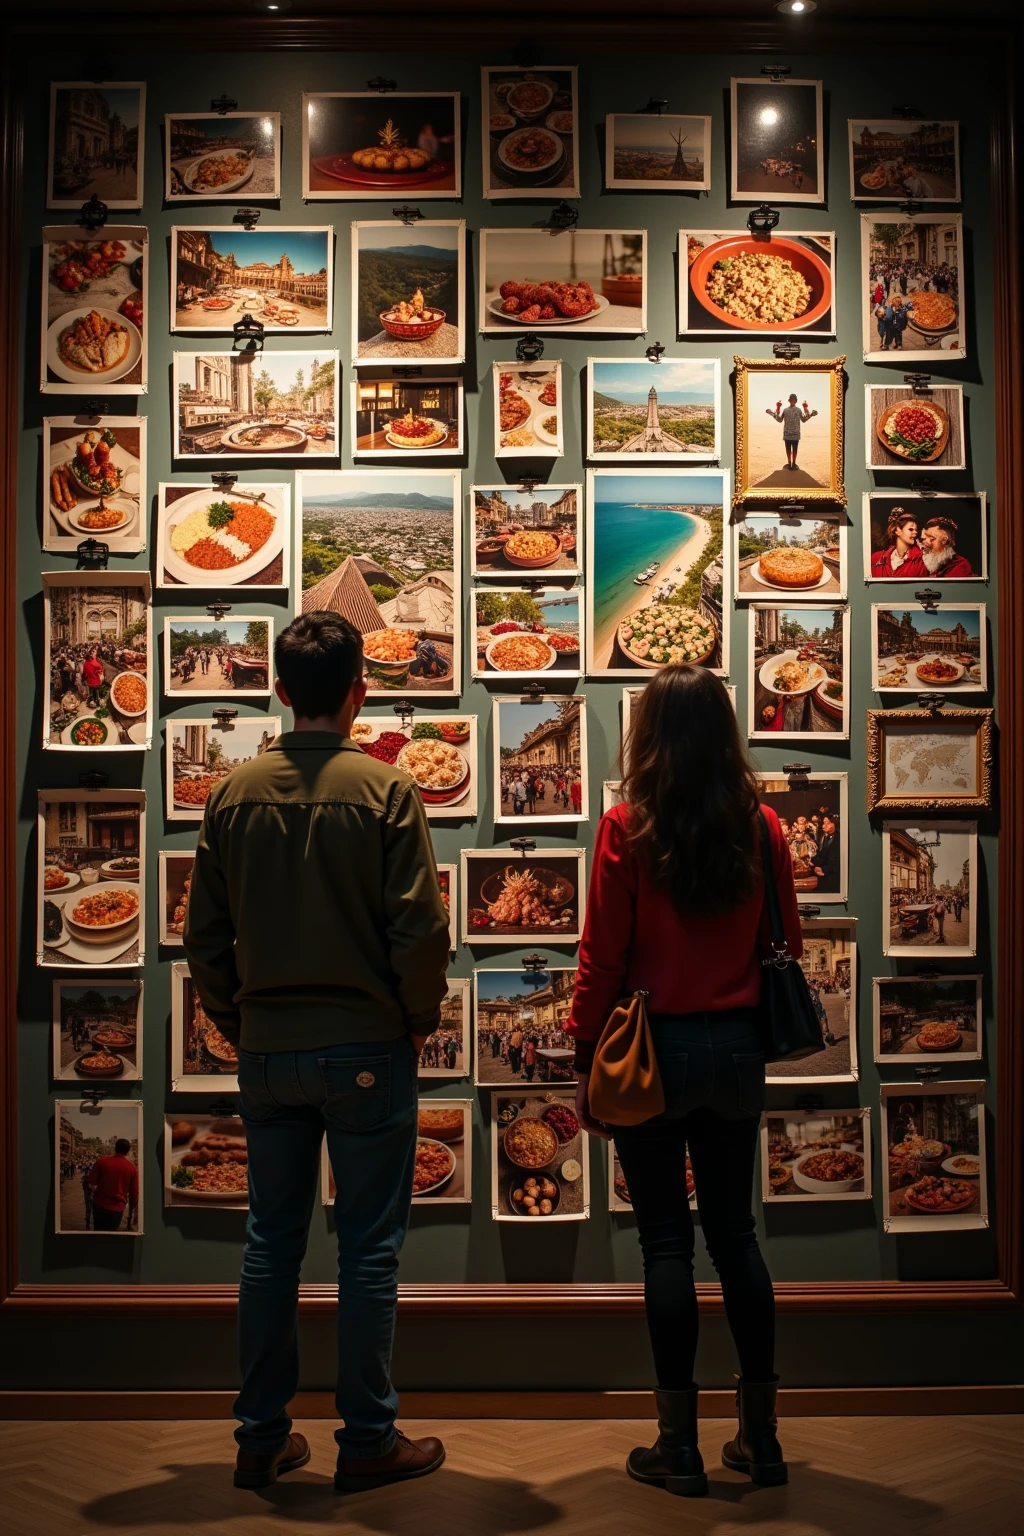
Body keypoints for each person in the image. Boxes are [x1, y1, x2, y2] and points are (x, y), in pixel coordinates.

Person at [183, 611, 451, 1494]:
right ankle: (367, 1440)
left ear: (279, 691)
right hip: (369, 1048)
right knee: (367, 1251)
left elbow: (206, 938)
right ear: (359, 692)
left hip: (269, 1050)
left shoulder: (231, 794)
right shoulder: (387, 790)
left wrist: (234, 1017)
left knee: (270, 1245)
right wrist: (416, 1020)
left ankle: (260, 1439)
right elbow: (418, 927)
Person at [567, 664, 799, 1497]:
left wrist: (582, 1052)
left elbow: (602, 959)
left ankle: (680, 1447)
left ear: (648, 737)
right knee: (736, 1238)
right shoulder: (763, 826)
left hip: (650, 1052)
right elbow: (790, 945)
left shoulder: (628, 826)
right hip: (737, 1046)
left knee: (666, 1243)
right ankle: (762, 1443)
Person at [87, 1138, 138, 1232]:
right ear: (127, 1151)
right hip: (117, 1208)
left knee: (98, 1235)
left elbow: (91, 1182)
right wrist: (131, 1213)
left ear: (115, 1148)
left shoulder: (101, 1161)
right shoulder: (133, 1169)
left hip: (99, 1205)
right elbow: (134, 1194)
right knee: (112, 1236)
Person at [764, 392, 817, 472]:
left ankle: (792, 464)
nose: (792, 401)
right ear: (793, 401)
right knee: (791, 449)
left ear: (793, 401)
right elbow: (803, 420)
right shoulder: (794, 410)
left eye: (793, 400)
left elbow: (780, 420)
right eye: (792, 400)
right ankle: (792, 464)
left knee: (791, 449)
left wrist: (772, 413)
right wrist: (771, 413)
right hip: (792, 434)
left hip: (790, 434)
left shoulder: (789, 410)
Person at [871, 508, 926, 578]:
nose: (915, 532)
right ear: (898, 531)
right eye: (911, 529)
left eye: (916, 530)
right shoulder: (878, 558)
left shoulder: (920, 560)